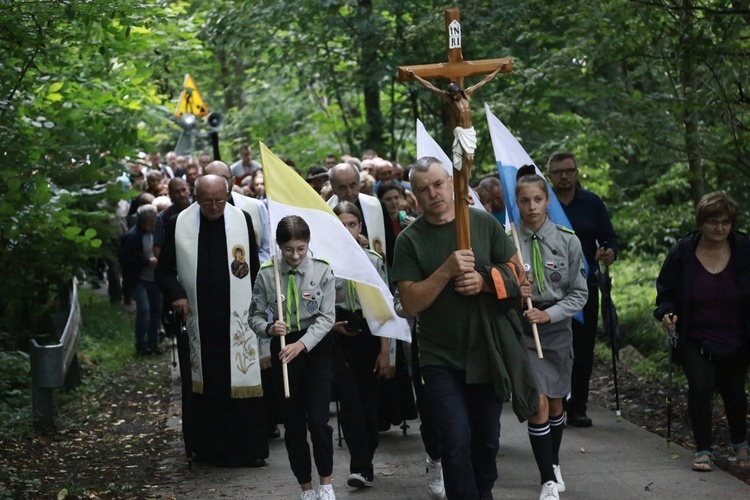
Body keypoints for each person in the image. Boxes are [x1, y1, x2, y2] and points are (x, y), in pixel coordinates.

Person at [392, 156, 539, 500]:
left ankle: (482, 491)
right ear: (414, 196)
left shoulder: (482, 222)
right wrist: (446, 270)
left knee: (486, 440)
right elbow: (411, 303)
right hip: (439, 357)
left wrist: (485, 282)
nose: (433, 193)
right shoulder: (409, 241)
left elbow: (518, 276)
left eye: (438, 184)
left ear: (451, 183)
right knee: (455, 441)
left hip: (487, 352)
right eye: (424, 189)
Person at [155, 174, 267, 467]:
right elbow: (163, 272)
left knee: (240, 378)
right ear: (195, 198)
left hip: (238, 319)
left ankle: (248, 449)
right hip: (198, 320)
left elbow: (253, 267)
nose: (215, 207)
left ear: (228, 194)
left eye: (220, 200)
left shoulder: (241, 219)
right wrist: (177, 294)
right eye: (207, 202)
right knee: (207, 385)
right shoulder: (178, 224)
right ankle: (208, 449)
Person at [654, 191, 750, 472]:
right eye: (712, 222)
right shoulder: (683, 251)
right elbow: (665, 291)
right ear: (701, 222)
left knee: (734, 391)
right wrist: (666, 312)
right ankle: (704, 449)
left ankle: (740, 443)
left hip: (738, 336)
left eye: (725, 222)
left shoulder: (744, 249)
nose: (719, 228)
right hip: (693, 335)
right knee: (700, 387)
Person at [249, 216, 337, 500]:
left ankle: (326, 482)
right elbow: (255, 316)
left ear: (308, 244)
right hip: (284, 349)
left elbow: (326, 318)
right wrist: (269, 328)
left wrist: (302, 344)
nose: (295, 255)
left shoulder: (322, 270)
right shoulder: (267, 273)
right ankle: (306, 487)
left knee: (320, 422)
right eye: (288, 249)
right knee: (294, 424)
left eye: (301, 248)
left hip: (314, 348)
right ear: (279, 246)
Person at [514, 166, 588, 500]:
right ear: (517, 203)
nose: (531, 207)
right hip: (523, 329)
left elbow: (579, 293)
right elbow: (494, 286)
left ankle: (554, 461)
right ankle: (546, 479)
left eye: (538, 199)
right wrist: (514, 289)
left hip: (556, 329)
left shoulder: (567, 241)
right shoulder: (507, 241)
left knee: (556, 402)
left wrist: (549, 314)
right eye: (525, 200)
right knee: (538, 402)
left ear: (547, 201)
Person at [547, 150, 618, 428]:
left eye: (569, 170)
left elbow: (610, 237)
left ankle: (578, 407)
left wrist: (610, 251)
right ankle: (556, 404)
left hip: (584, 285)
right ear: (550, 175)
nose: (564, 176)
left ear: (577, 173)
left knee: (583, 348)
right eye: (558, 172)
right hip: (550, 287)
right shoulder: (544, 202)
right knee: (555, 347)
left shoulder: (592, 202)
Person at [331, 201, 391, 489]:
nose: (346, 230)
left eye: (351, 224)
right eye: (340, 225)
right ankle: (360, 466)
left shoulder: (374, 260)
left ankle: (367, 456)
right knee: (350, 402)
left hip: (369, 330)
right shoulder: (324, 261)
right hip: (339, 334)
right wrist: (332, 326)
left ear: (360, 227)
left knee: (368, 402)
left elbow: (384, 308)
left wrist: (384, 351)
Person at [327, 162, 396, 269]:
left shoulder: (377, 206)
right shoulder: (326, 211)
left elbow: (390, 245)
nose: (349, 193)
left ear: (359, 183)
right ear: (333, 188)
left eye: (353, 185)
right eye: (342, 188)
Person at [119, 204, 164, 355]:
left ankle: (154, 341)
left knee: (156, 310)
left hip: (155, 278)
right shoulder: (132, 236)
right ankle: (141, 344)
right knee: (144, 310)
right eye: (152, 221)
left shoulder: (157, 231)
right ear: (145, 222)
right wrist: (146, 261)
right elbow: (126, 261)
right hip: (140, 280)